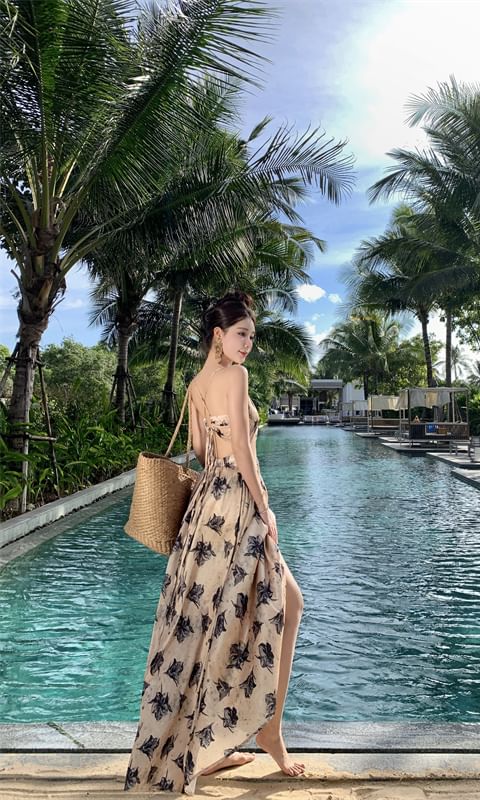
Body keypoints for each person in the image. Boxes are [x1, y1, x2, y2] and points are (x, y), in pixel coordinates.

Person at [124, 291, 305, 794]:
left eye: (252, 336)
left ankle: (203, 747)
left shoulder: (196, 385)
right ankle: (267, 731)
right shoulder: (236, 376)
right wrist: (265, 506)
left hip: (207, 508)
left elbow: (203, 451)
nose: (248, 344)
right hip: (239, 502)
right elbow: (243, 450)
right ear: (219, 335)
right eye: (242, 334)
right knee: (286, 605)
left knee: (206, 623)